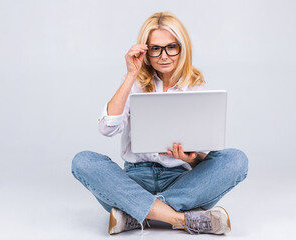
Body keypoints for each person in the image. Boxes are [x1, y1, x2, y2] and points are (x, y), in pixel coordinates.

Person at [71, 11, 248, 235]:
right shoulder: (135, 84)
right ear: (146, 51)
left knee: (236, 159)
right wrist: (130, 75)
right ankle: (179, 218)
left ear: (182, 48)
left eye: (171, 47)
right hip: (134, 180)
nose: (164, 56)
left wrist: (189, 158)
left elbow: (203, 161)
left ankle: (136, 214)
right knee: (83, 161)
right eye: (155, 48)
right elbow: (107, 128)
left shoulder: (196, 88)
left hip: (182, 182)